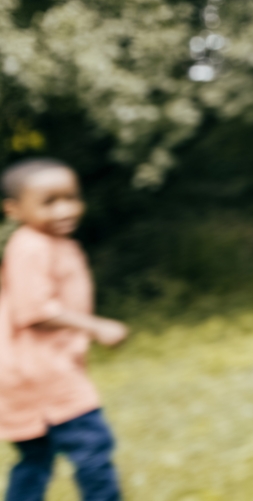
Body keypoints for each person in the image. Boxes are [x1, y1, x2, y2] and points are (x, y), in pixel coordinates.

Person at [0, 159, 128, 501]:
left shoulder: (56, 243)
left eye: (72, 198)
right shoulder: (30, 246)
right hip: (43, 375)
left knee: (35, 458)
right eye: (50, 202)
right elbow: (35, 311)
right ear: (13, 210)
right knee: (92, 447)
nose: (65, 209)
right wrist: (96, 326)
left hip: (30, 373)